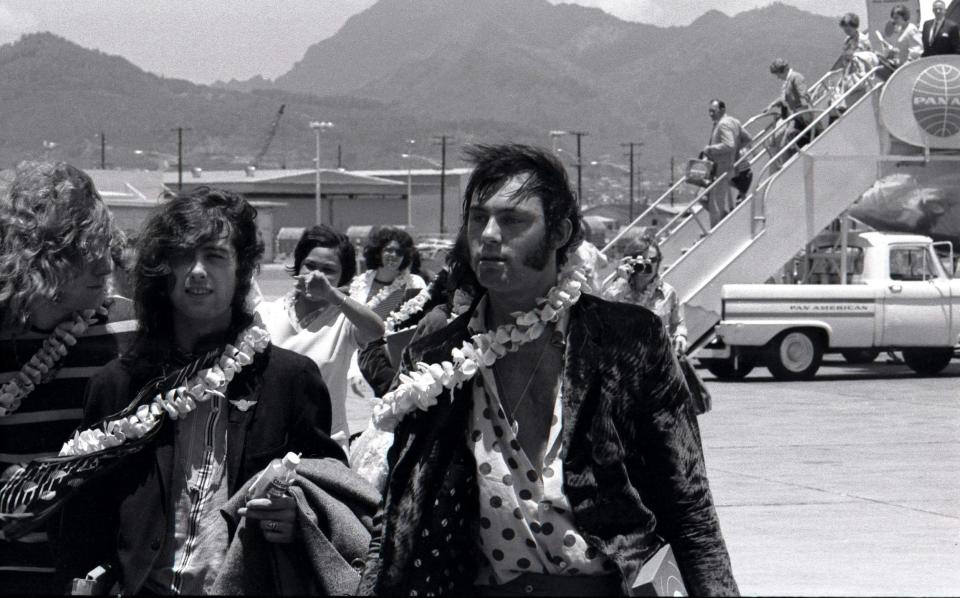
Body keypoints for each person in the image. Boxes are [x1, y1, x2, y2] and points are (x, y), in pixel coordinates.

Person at [357, 144, 738, 596]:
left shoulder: (627, 340)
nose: (489, 235)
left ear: (560, 232)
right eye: (478, 219)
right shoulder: (437, 353)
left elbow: (689, 505)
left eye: (514, 219)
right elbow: (399, 509)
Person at [54, 187, 346, 595]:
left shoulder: (290, 381)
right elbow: (84, 521)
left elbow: (330, 494)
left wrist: (297, 512)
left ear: (242, 268)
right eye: (182, 255)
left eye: (214, 255)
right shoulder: (118, 385)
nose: (196, 271)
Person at [0, 161, 137, 595]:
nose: (103, 264)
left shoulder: (131, 330)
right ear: (34, 259)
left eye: (103, 243)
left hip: (95, 578)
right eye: (81, 251)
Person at [256, 225, 384, 443]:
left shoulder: (345, 321)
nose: (316, 275)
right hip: (270, 440)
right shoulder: (268, 313)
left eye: (329, 270)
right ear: (298, 265)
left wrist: (331, 294)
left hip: (325, 444)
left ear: (343, 277)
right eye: (310, 265)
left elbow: (376, 330)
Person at [602, 236, 687, 354]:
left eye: (652, 260)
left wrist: (680, 336)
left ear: (659, 262)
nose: (648, 266)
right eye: (642, 261)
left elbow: (678, 323)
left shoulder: (668, 292)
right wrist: (622, 282)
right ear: (630, 261)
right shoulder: (615, 291)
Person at [351, 226, 427, 319]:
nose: (394, 255)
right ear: (378, 253)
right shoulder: (361, 282)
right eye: (389, 250)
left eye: (399, 252)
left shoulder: (415, 282)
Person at [702, 99, 752, 227]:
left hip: (722, 167)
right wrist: (736, 151)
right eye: (709, 111)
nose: (711, 114)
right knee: (708, 197)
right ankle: (724, 219)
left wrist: (710, 149)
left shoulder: (723, 124)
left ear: (722, 110)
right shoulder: (734, 121)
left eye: (713, 111)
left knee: (715, 201)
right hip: (729, 167)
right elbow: (747, 139)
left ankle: (718, 227)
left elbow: (728, 144)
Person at [768, 58, 815, 156]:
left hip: (803, 115)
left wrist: (806, 116)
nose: (778, 77)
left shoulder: (796, 77)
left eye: (778, 74)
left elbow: (803, 96)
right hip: (797, 116)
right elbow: (784, 98)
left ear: (783, 71)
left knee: (799, 137)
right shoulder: (787, 81)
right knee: (790, 140)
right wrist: (772, 105)